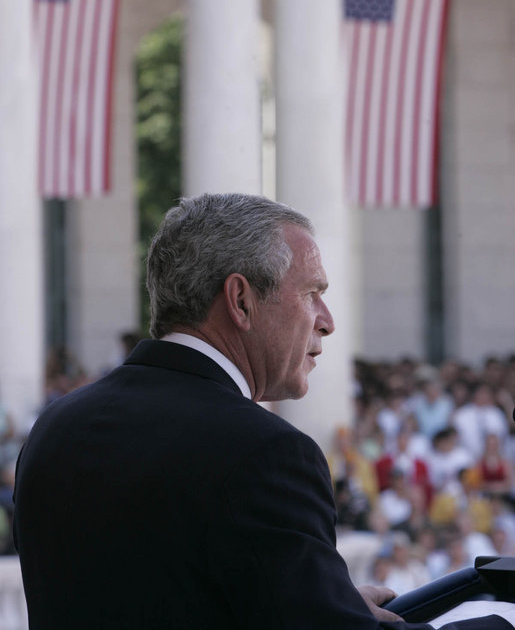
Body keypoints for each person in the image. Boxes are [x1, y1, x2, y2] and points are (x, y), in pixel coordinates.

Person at [13, 193, 511, 629]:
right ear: (241, 300)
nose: (329, 321)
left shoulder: (57, 427)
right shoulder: (267, 452)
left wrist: (329, 602)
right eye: (312, 293)